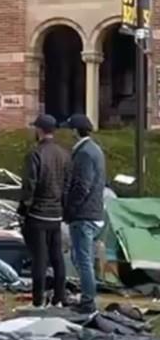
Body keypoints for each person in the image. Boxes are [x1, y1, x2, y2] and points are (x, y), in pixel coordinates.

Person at [19, 114, 69, 308]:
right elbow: (67, 184)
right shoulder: (64, 154)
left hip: (38, 213)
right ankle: (60, 296)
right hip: (56, 213)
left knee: (39, 258)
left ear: (39, 130)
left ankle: (38, 300)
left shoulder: (36, 154)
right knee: (57, 257)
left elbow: (30, 184)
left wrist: (24, 207)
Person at [64, 114, 106, 313]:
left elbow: (82, 186)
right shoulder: (95, 150)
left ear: (75, 130)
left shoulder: (84, 153)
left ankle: (88, 302)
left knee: (83, 259)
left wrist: (70, 209)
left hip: (84, 214)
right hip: (94, 212)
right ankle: (86, 296)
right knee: (80, 257)